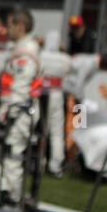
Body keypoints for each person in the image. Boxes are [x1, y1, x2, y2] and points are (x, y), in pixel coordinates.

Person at [0, 6, 40, 206]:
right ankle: (2, 196)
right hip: (12, 113)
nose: (8, 30)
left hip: (18, 114)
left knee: (12, 160)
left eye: (11, 26)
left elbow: (22, 87)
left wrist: (11, 111)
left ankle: (11, 201)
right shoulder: (20, 48)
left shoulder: (26, 51)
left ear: (21, 26)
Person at [40, 30, 73, 177]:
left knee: (41, 129)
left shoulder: (40, 55)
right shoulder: (65, 58)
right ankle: (56, 165)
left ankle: (39, 162)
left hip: (42, 94)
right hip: (57, 94)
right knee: (57, 132)